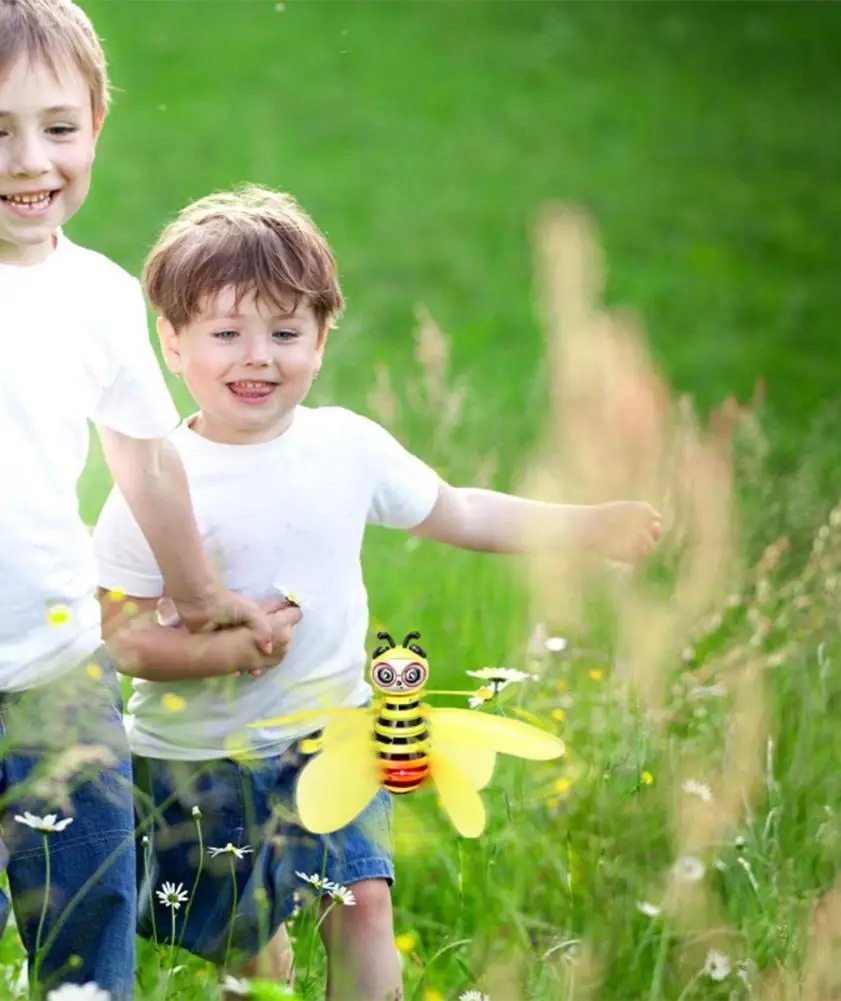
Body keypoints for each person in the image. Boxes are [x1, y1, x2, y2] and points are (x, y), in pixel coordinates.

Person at [93, 184, 663, 1001]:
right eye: (227, 333)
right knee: (248, 949)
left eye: (286, 332)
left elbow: (460, 509)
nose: (259, 356)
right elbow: (121, 637)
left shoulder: (347, 446)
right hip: (196, 760)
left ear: (322, 341)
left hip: (336, 737)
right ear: (173, 343)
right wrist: (217, 651)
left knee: (360, 900)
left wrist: (583, 526)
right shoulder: (153, 482)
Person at [0, 2, 271, 998]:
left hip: (56, 651)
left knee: (92, 897)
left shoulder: (98, 296)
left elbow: (147, 459)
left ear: (96, 126)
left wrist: (197, 593)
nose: (31, 160)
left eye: (59, 128)